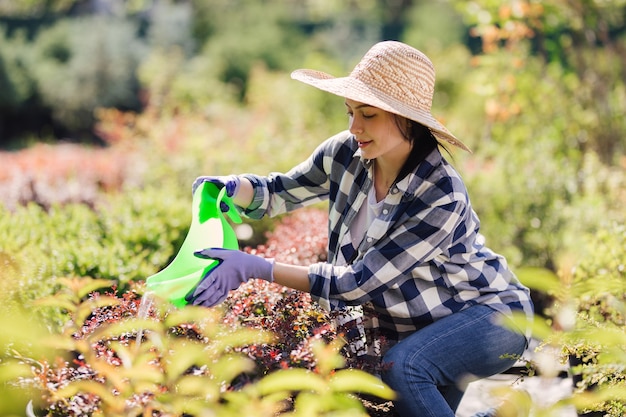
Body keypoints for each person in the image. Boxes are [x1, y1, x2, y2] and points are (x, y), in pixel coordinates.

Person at [187, 41, 534, 416]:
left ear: (409, 120)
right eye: (350, 112)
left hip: (490, 319)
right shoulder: (346, 153)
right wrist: (235, 188)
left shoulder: (440, 194)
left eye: (368, 114)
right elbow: (281, 191)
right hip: (425, 329)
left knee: (406, 369)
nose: (354, 127)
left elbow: (356, 283)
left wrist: (257, 267)